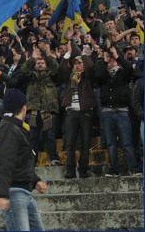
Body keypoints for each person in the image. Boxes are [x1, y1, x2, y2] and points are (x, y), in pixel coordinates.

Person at [0, 88, 47, 231]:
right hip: (14, 193)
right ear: (23, 107)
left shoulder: (16, 128)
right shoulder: (10, 129)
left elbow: (21, 160)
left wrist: (34, 180)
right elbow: (2, 162)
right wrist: (2, 194)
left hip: (24, 191)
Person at [95, 46, 142, 176]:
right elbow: (97, 75)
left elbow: (128, 68)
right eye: (109, 62)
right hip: (107, 111)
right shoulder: (103, 76)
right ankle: (114, 169)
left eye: (113, 61)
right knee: (111, 143)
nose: (111, 63)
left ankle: (134, 168)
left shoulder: (124, 74)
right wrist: (104, 61)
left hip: (122, 111)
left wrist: (117, 56)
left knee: (127, 142)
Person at [58, 44, 96, 179]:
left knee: (85, 143)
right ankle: (70, 170)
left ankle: (83, 170)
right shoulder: (69, 77)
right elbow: (62, 67)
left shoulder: (88, 77)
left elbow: (91, 67)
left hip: (85, 112)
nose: (77, 66)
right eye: (75, 64)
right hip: (71, 112)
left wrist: (84, 55)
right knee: (69, 144)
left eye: (80, 63)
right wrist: (68, 53)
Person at [21, 45, 61, 166]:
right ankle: (32, 160)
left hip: (48, 109)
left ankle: (53, 158)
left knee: (50, 136)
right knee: (33, 137)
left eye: (42, 63)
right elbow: (23, 70)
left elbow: (56, 66)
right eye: (38, 63)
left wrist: (48, 54)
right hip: (34, 110)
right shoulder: (30, 76)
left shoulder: (51, 74)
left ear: (46, 64)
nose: (40, 65)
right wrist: (32, 58)